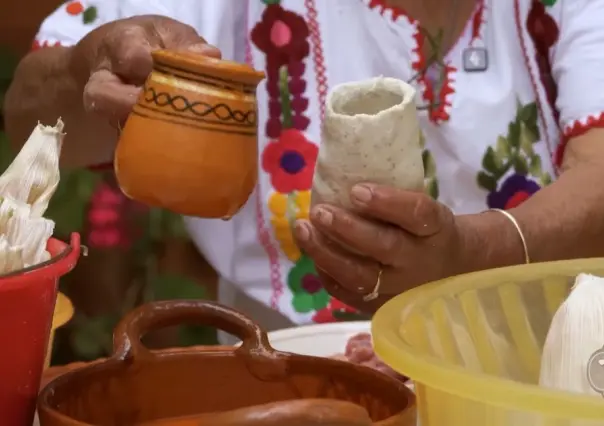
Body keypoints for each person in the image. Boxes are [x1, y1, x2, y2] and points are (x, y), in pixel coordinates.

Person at [5, 0, 604, 342]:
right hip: (279, 368)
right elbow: (27, 108)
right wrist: (91, 65)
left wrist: (481, 250)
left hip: (539, 363)